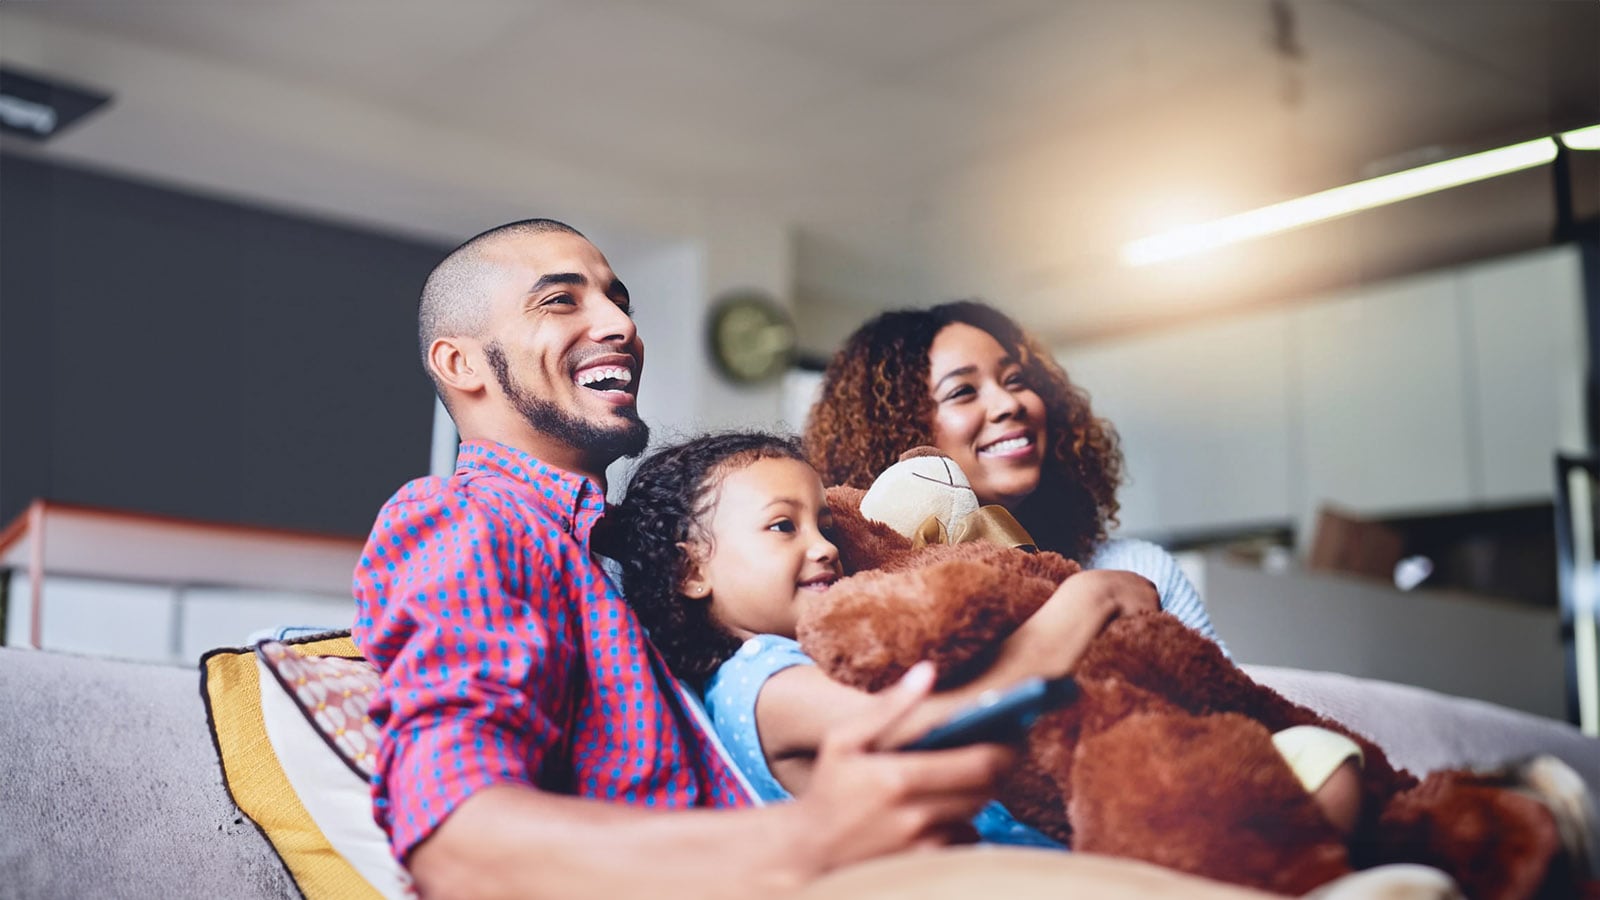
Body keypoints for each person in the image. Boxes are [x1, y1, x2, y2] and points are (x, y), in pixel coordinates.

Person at [349, 219, 1017, 900]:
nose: (618, 324)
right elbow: (459, 844)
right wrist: (813, 838)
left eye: (620, 300)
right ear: (461, 364)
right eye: (560, 300)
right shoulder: (466, 519)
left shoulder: (627, 559)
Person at [611, 430, 1370, 852]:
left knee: (1329, 780)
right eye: (784, 527)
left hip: (1057, 842)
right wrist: (1085, 601)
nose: (824, 548)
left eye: (825, 524)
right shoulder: (759, 682)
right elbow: (944, 715)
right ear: (690, 570)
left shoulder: (819, 651)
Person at [803, 300, 1221, 645]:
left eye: (1015, 379)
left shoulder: (1139, 568)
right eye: (963, 391)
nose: (1009, 403)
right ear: (896, 430)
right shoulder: (854, 596)